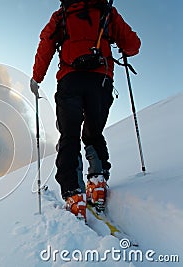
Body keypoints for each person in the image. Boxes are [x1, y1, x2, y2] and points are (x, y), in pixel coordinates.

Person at [30, 0, 141, 220]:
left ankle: (74, 194)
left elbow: (46, 44)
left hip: (70, 79)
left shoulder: (61, 15)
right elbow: (133, 45)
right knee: (94, 132)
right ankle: (97, 183)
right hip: (101, 81)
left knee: (69, 135)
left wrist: (36, 78)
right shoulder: (106, 11)